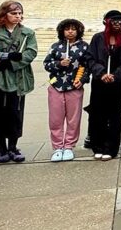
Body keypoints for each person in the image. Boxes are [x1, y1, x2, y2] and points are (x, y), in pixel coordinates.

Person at [0, 1, 38, 163]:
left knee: (15, 113)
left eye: (19, 13)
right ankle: (2, 149)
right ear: (4, 14)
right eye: (13, 13)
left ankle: (13, 147)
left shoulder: (28, 33)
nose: (17, 16)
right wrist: (4, 58)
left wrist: (14, 63)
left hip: (18, 77)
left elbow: (31, 51)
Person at [84, 10, 121, 161]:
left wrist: (116, 75)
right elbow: (90, 58)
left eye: (119, 21)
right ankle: (98, 146)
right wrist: (101, 73)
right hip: (100, 84)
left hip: (118, 84)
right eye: (113, 21)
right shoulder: (97, 39)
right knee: (98, 115)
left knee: (115, 116)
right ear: (106, 22)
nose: (117, 23)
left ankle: (111, 147)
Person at [44, 19, 89, 162]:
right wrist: (59, 63)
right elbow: (46, 64)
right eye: (67, 29)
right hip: (56, 86)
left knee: (73, 119)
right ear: (62, 31)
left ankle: (69, 146)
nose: (70, 31)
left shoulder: (84, 47)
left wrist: (82, 80)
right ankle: (57, 147)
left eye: (73, 29)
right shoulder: (56, 47)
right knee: (55, 119)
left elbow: (88, 66)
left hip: (74, 87)